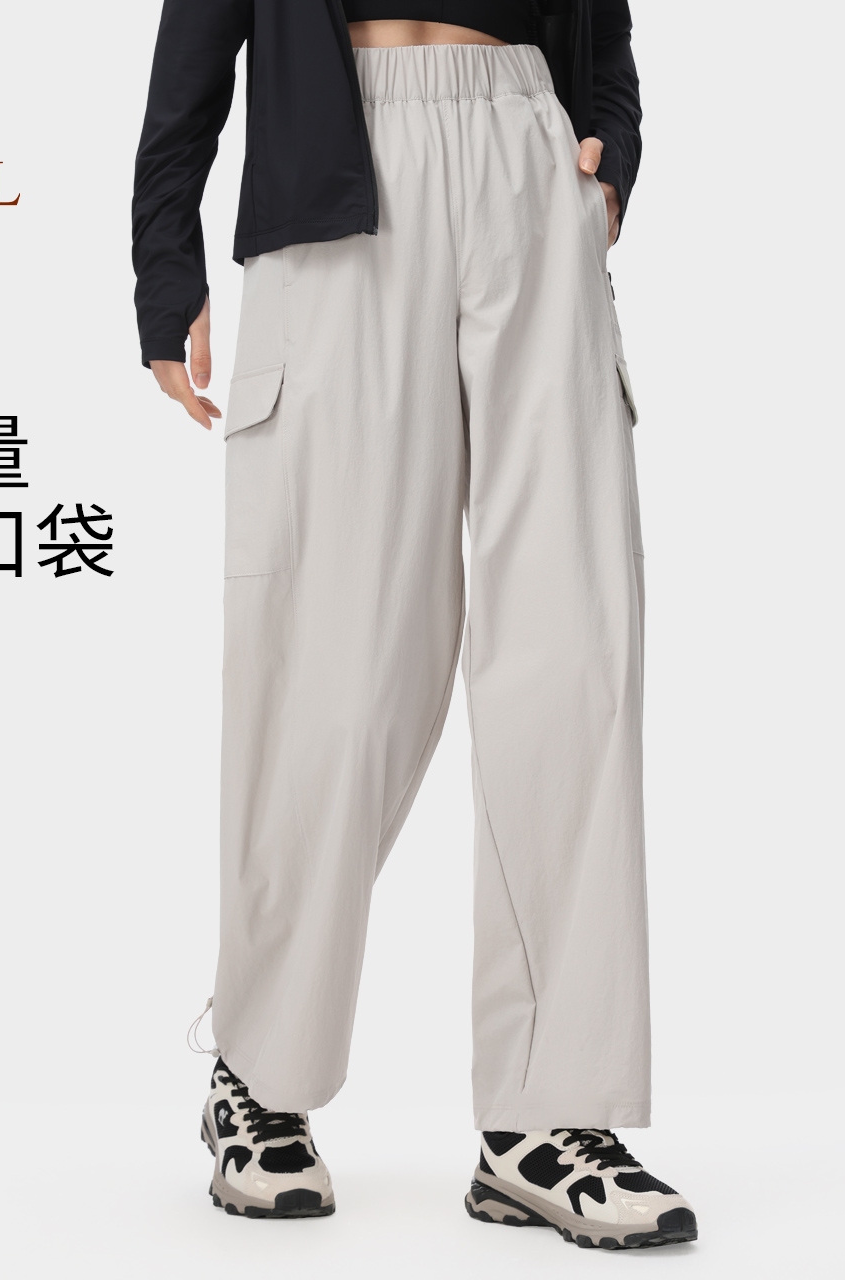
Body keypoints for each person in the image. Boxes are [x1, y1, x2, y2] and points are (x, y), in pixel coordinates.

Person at [133, 2, 697, 1250]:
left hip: (524, 146)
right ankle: (260, 1068)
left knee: (572, 647)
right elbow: (195, 40)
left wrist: (608, 149)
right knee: (330, 669)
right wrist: (163, 262)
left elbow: (604, 27)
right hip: (336, 174)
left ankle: (547, 1115)